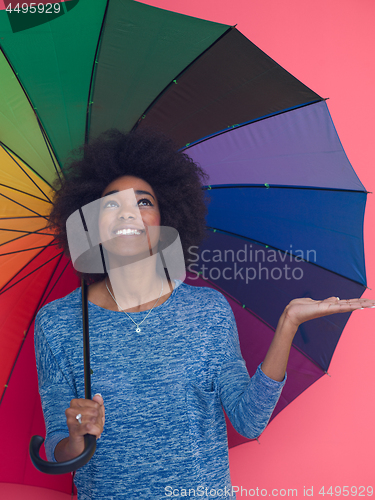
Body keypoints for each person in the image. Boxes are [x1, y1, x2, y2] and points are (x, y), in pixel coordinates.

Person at [34, 129, 375, 500]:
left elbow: (248, 420)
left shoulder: (207, 312)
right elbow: (57, 448)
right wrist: (75, 438)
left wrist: (288, 324)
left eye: (144, 202)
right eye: (111, 204)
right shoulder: (58, 323)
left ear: (167, 221)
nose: (128, 211)